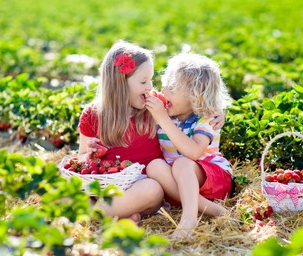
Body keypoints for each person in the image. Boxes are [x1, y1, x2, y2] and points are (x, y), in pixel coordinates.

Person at [78, 41, 225, 223]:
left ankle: (94, 213)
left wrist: (217, 112)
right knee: (67, 189)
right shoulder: (92, 115)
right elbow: (82, 157)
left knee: (152, 189)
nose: (150, 87)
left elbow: (192, 102)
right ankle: (115, 213)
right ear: (120, 84)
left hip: (145, 185)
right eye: (143, 81)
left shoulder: (154, 105)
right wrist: (89, 154)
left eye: (151, 80)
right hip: (110, 185)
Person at [145, 53, 233, 238]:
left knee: (183, 163)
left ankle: (189, 220)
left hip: (212, 178)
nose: (164, 91)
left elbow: (193, 152)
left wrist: (162, 118)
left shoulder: (206, 119)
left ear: (196, 97)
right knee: (154, 166)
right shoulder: (166, 115)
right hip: (179, 185)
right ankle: (211, 209)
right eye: (166, 84)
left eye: (173, 88)